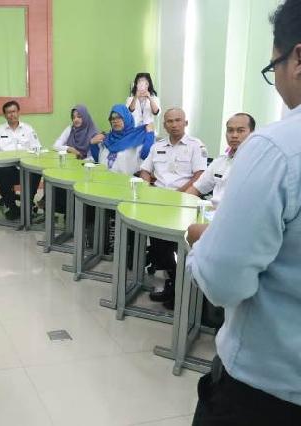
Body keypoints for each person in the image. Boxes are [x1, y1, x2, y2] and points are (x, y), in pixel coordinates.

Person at [187, 1, 301, 423]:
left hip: (266, 393)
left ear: (298, 59)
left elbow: (223, 280)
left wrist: (201, 243)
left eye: (273, 67)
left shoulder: (276, 149)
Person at [139, 107, 207, 309]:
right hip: (157, 201)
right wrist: (146, 187)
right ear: (165, 125)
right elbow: (145, 170)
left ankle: (180, 286)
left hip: (183, 202)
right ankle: (174, 280)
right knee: (157, 243)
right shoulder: (157, 146)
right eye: (170, 121)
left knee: (176, 246)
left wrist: (178, 195)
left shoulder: (196, 146)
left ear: (185, 123)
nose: (174, 124)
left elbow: (200, 177)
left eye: (178, 120)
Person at [186, 113, 255, 208]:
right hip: (212, 211)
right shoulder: (220, 161)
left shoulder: (257, 164)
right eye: (230, 130)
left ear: (252, 134)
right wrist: (182, 205)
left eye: (240, 131)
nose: (234, 135)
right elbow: (197, 188)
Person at [0, 100, 42, 220]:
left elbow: (37, 148)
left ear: (19, 112)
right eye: (8, 112)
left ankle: (27, 206)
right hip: (6, 169)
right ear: (4, 115)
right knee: (1, 174)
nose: (12, 114)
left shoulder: (28, 129)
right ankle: (12, 207)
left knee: (36, 172)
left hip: (25, 167)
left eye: (14, 111)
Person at [89, 104, 155, 175]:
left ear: (127, 118)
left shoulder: (137, 138)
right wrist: (92, 144)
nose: (115, 121)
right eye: (112, 118)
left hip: (125, 181)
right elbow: (98, 160)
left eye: (119, 117)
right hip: (103, 179)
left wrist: (150, 134)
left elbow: (145, 156)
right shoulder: (107, 139)